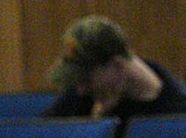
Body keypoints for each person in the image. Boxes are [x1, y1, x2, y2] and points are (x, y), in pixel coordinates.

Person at [43, 14, 186, 121]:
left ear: (117, 65)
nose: (80, 89)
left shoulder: (176, 113)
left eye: (86, 79)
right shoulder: (83, 95)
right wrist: (95, 120)